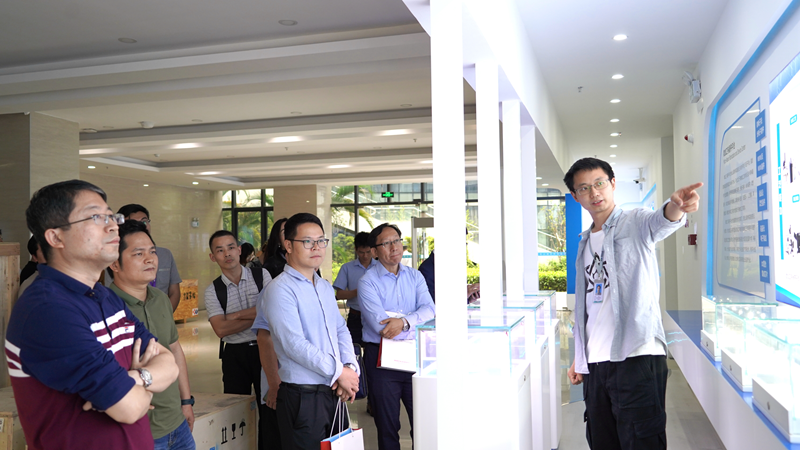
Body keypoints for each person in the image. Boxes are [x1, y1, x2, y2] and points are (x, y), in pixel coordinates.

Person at [6, 179, 179, 450]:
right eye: (96, 217)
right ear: (55, 237)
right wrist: (146, 385)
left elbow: (169, 364)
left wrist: (136, 379)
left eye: (112, 216)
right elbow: (129, 408)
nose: (113, 226)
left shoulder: (105, 297)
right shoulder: (47, 310)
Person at [563, 157, 702, 450]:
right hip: (595, 366)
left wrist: (676, 206)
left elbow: (661, 221)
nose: (594, 192)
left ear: (612, 184)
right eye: (584, 188)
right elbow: (590, 308)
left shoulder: (635, 221)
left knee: (642, 441)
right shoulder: (585, 241)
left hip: (636, 356)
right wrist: (580, 356)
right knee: (601, 441)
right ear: (575, 196)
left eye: (600, 183)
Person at [263, 213, 360, 450]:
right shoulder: (279, 289)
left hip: (334, 392)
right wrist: (339, 371)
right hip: (302, 398)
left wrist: (349, 367)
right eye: (307, 241)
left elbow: (340, 329)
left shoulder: (324, 287)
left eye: (321, 241)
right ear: (288, 245)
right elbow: (294, 344)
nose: (316, 247)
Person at [109, 220, 195, 450]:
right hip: (137, 430)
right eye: (139, 253)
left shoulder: (161, 299)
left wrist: (186, 401)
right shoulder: (105, 309)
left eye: (152, 252)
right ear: (114, 263)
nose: (150, 259)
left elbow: (175, 349)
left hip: (177, 423)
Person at [358, 223, 435, 450]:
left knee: (422, 424)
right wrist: (414, 320)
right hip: (381, 361)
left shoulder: (415, 276)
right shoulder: (367, 282)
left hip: (415, 358)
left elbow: (430, 310)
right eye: (387, 243)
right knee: (387, 427)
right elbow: (381, 326)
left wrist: (402, 322)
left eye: (397, 241)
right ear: (374, 251)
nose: (394, 247)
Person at [204, 230, 276, 450]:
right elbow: (220, 329)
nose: (227, 254)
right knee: (237, 412)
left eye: (230, 247)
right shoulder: (212, 290)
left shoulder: (261, 276)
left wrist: (234, 316)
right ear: (213, 257)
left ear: (239, 250)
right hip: (234, 355)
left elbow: (272, 310)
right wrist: (258, 314)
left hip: (266, 350)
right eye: (220, 250)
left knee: (270, 408)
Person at [118, 204, 183, 311]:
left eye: (144, 221)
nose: (141, 226)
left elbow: (174, 292)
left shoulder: (165, 254)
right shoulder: (116, 256)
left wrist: (165, 316)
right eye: (134, 222)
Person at [332, 231, 377, 345]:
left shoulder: (380, 267)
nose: (365, 256)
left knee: (373, 349)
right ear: (356, 250)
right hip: (355, 316)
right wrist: (359, 291)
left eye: (368, 252)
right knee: (353, 348)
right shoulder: (347, 268)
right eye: (361, 252)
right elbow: (339, 295)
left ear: (373, 250)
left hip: (376, 316)